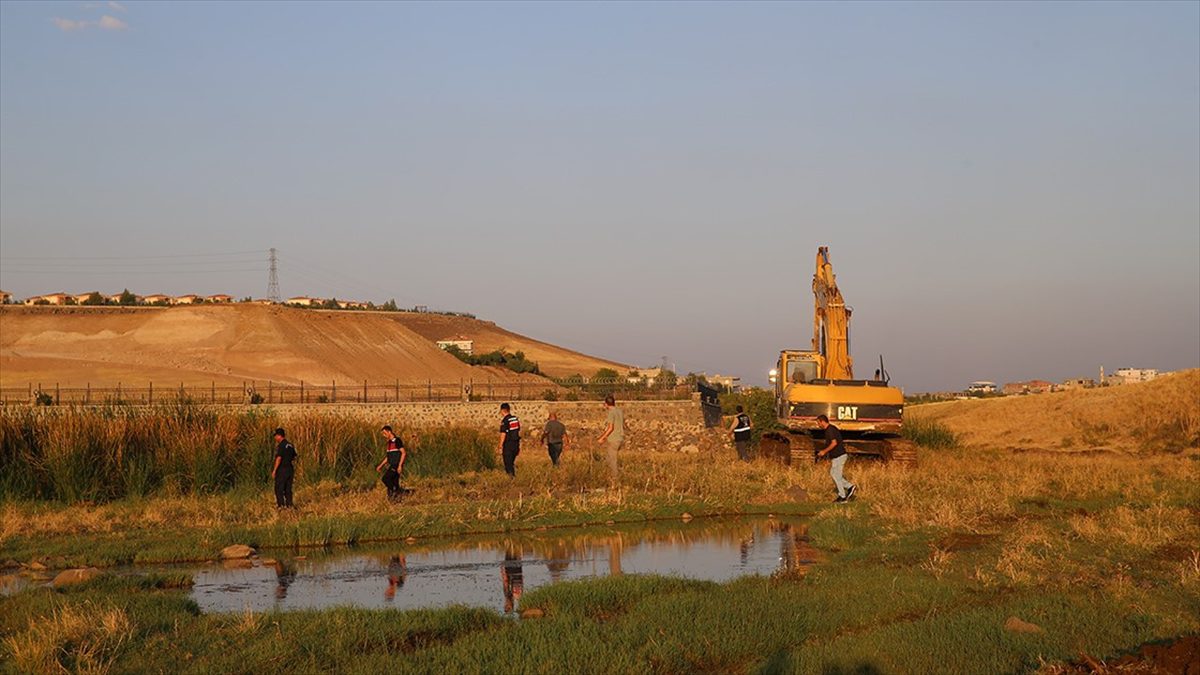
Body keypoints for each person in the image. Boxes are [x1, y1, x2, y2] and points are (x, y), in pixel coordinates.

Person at [816, 414, 856, 503]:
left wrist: (824, 451)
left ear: (822, 421)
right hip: (836, 456)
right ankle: (850, 487)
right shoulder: (829, 430)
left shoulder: (830, 430)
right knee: (834, 473)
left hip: (839, 456)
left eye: (818, 423)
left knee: (836, 475)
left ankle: (842, 496)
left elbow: (834, 443)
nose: (818, 425)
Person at [596, 395, 625, 479]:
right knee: (608, 458)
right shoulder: (619, 411)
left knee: (612, 461)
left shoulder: (611, 413)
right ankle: (609, 476)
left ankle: (614, 480)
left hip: (613, 439)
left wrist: (602, 438)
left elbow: (611, 428)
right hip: (620, 438)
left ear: (606, 404)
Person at [375, 425, 406, 501]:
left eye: (385, 433)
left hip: (396, 465)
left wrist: (400, 466)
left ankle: (397, 492)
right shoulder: (389, 443)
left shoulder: (397, 441)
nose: (384, 435)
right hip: (391, 464)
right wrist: (381, 465)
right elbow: (388, 457)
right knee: (394, 483)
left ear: (389, 432)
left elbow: (403, 453)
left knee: (385, 479)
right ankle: (394, 500)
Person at [271, 427, 297, 508]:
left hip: (282, 469)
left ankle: (281, 506)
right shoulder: (290, 445)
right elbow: (294, 457)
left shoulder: (281, 445)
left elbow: (279, 458)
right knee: (288, 488)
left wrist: (274, 470)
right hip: (290, 469)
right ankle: (289, 505)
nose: (275, 438)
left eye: (275, 436)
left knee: (279, 488)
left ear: (279, 436)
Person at [498, 403, 521, 477]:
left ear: (502, 410)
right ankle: (513, 477)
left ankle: (511, 479)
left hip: (508, 444)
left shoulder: (505, 421)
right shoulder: (515, 419)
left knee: (508, 463)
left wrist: (500, 446)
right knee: (511, 462)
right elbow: (517, 430)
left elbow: (503, 434)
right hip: (516, 444)